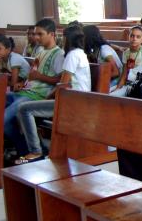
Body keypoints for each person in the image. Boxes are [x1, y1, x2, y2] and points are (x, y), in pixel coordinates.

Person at [14, 26, 91, 164]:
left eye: (63, 36)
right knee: (26, 108)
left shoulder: (72, 55)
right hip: (78, 98)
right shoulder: (80, 53)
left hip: (73, 102)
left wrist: (45, 98)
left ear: (68, 38)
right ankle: (41, 148)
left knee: (24, 109)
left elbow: (63, 85)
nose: (61, 39)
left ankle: (36, 151)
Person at [3, 18, 64, 157]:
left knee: (3, 119)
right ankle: (25, 149)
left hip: (38, 96)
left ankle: (32, 151)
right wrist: (22, 83)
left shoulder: (58, 54)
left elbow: (61, 80)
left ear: (52, 34)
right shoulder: (40, 52)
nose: (36, 37)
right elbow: (32, 75)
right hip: (26, 91)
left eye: (40, 34)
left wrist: (38, 77)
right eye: (35, 34)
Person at [112, 25, 142, 96]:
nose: (134, 39)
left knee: (111, 96)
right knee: (106, 92)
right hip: (128, 83)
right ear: (128, 37)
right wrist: (118, 88)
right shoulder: (126, 53)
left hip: (139, 86)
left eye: (138, 37)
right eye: (132, 36)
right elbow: (124, 74)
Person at [83, 25, 122, 89]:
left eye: (83, 37)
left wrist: (98, 79)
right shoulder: (95, 49)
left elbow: (116, 72)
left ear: (88, 37)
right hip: (106, 78)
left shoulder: (104, 50)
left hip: (116, 81)